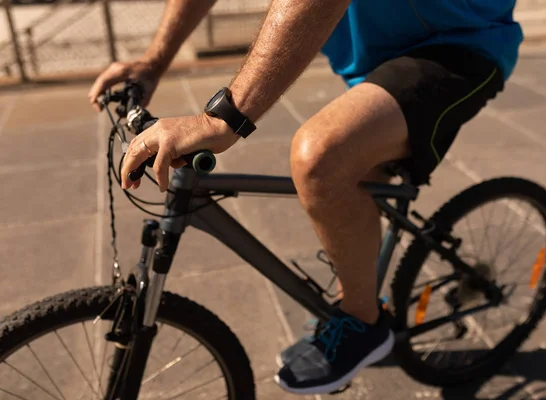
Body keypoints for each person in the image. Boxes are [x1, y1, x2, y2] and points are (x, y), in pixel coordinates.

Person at [89, 0, 522, 395]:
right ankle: (365, 295)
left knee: (320, 158)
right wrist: (152, 62)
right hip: (373, 61)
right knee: (349, 179)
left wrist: (221, 120)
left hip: (460, 46)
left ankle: (364, 322)